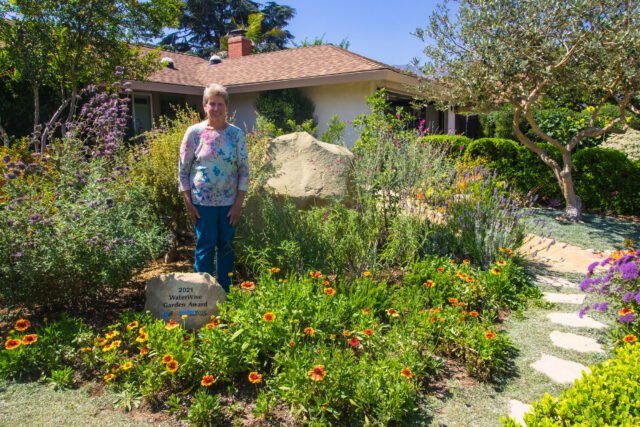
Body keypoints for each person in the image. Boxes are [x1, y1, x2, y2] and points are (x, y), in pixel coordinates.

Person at [178, 84, 249, 292]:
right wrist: (188, 203)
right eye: (212, 104)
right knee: (205, 247)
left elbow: (244, 171)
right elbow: (183, 170)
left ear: (226, 107)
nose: (216, 108)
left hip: (228, 203)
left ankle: (225, 294)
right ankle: (204, 295)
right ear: (204, 106)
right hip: (202, 204)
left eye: (220, 104)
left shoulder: (235, 135)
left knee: (226, 247)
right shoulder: (194, 133)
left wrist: (238, 204)